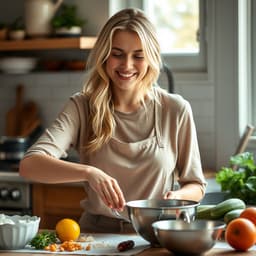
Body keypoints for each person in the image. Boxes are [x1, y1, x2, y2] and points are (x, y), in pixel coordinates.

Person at [19, 8, 207, 233]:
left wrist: (177, 197)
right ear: (104, 55)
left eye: (138, 56)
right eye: (117, 54)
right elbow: (29, 166)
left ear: (150, 58)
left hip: (155, 236)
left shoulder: (175, 110)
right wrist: (88, 172)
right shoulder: (82, 107)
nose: (127, 65)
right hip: (96, 235)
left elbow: (195, 185)